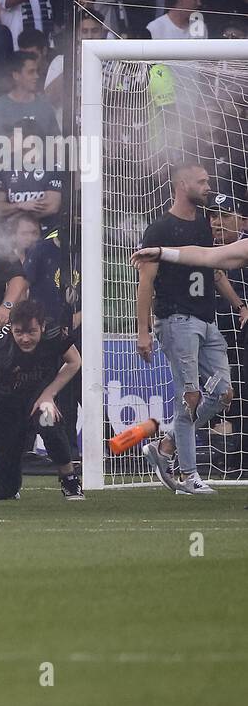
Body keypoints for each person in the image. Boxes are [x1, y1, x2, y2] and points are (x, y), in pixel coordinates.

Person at [130, 162, 245, 496]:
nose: (208, 186)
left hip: (207, 319)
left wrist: (239, 304)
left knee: (224, 393)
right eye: (202, 181)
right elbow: (146, 282)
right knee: (190, 395)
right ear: (182, 184)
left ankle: (165, 445)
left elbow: (217, 269)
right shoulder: (160, 229)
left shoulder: (206, 227)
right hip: (176, 319)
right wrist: (143, 330)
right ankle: (189, 476)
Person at [0, 298, 84, 500]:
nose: (25, 338)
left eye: (31, 332)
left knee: (48, 417)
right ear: (11, 328)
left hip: (36, 400)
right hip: (1, 409)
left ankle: (69, 479)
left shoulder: (55, 333)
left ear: (43, 327)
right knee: (7, 491)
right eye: (19, 332)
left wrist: (49, 393)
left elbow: (74, 361)